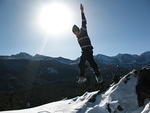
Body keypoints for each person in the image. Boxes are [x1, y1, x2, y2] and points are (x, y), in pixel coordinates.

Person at [72, 4, 103, 83]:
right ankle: (84, 76)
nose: (76, 34)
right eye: (74, 33)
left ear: (78, 29)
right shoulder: (77, 37)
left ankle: (98, 76)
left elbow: (84, 21)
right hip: (84, 52)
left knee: (91, 63)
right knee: (81, 64)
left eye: (76, 32)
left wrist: (82, 12)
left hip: (88, 50)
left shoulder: (83, 31)